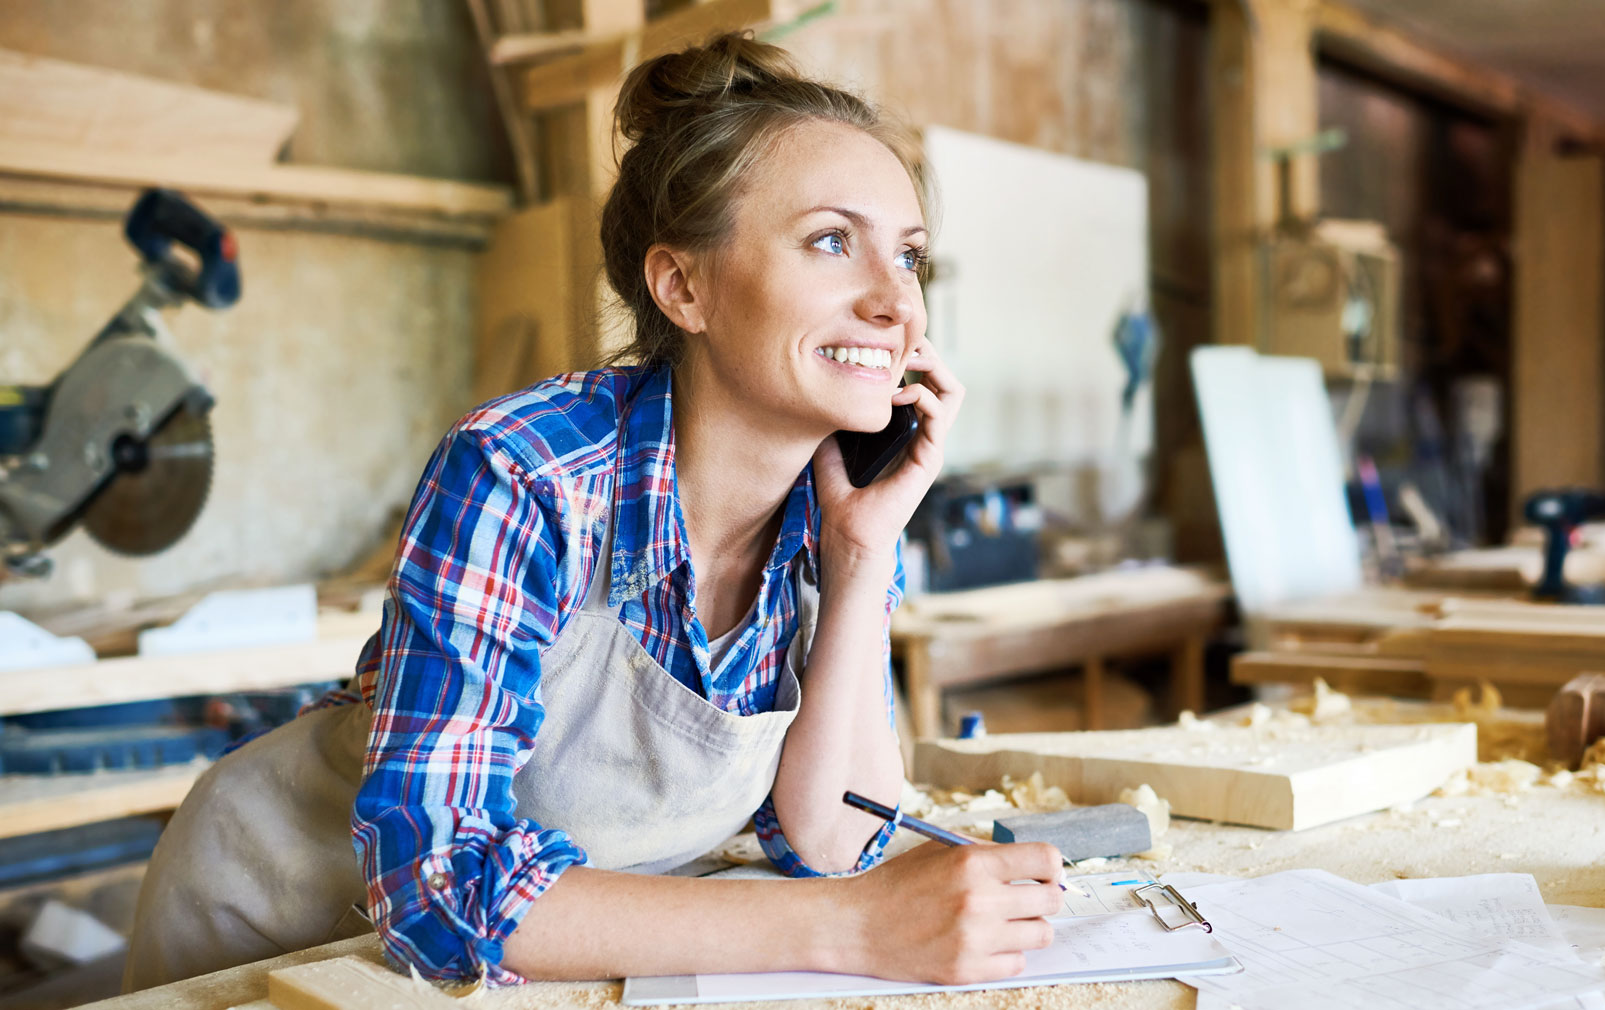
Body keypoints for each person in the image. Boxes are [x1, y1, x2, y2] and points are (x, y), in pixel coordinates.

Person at [123, 32, 1064, 990]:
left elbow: (830, 838)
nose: (897, 303)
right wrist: (850, 929)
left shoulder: (841, 510)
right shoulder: (525, 473)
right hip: (283, 925)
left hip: (532, 959)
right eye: (832, 241)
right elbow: (441, 889)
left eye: (909, 257)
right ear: (683, 286)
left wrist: (861, 556)